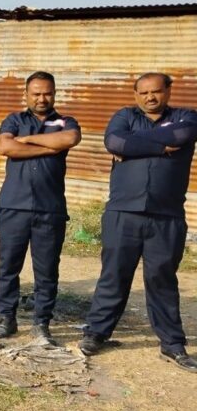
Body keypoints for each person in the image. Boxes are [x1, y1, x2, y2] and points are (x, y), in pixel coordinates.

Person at [79, 73, 197, 372]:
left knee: (162, 279)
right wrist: (160, 146)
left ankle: (172, 344)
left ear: (168, 91)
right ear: (135, 95)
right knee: (114, 275)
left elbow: (181, 136)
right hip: (123, 212)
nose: (150, 97)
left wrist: (133, 145)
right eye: (143, 93)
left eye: (156, 91)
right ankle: (97, 333)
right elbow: (114, 141)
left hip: (166, 215)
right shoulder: (124, 116)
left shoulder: (186, 117)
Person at [0, 72, 81, 343]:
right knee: (9, 266)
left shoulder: (65, 122)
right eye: (36, 93)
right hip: (13, 206)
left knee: (47, 270)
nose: (42, 98)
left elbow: (69, 139)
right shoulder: (14, 120)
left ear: (54, 94)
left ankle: (41, 323)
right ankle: (6, 318)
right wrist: (49, 146)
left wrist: (25, 140)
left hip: (49, 208)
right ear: (26, 94)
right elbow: (5, 147)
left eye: (47, 93)